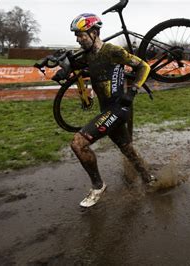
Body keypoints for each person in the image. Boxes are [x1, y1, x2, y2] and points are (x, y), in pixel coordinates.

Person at [67, 13, 157, 208]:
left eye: (81, 35)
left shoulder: (112, 51)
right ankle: (150, 179)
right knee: (127, 149)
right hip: (107, 110)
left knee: (78, 143)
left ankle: (98, 186)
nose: (78, 39)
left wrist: (132, 91)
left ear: (94, 32)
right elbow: (75, 67)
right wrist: (62, 69)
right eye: (76, 35)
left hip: (118, 108)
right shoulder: (89, 55)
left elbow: (143, 67)